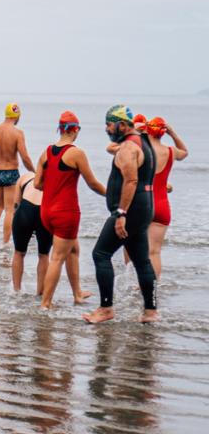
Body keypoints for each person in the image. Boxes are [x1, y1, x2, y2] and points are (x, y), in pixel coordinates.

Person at [83, 106, 158, 324]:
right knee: (142, 260)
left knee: (101, 254)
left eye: (109, 124)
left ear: (122, 125)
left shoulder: (128, 148)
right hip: (145, 206)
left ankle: (106, 308)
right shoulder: (143, 142)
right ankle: (150, 312)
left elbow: (131, 180)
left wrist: (120, 213)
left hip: (131, 209)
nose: (107, 128)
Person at [35, 112, 105, 308]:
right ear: (74, 129)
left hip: (46, 212)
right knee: (57, 257)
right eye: (78, 130)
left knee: (73, 249)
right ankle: (45, 303)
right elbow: (92, 183)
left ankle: (77, 294)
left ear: (60, 128)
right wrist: (112, 196)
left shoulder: (46, 152)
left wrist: (54, 184)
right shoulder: (76, 153)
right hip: (66, 213)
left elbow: (37, 183)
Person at [0, 103, 35, 243]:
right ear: (17, 116)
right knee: (10, 210)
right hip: (10, 172)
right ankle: (5, 243)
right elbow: (25, 157)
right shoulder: (17, 133)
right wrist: (35, 172)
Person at [144, 117, 189, 279]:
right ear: (164, 132)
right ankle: (153, 288)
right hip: (162, 205)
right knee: (154, 251)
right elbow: (185, 153)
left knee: (136, 248)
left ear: (148, 130)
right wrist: (173, 133)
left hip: (144, 204)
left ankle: (137, 285)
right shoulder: (171, 151)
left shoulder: (141, 150)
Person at [10, 172, 53, 294]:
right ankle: (40, 293)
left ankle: (16, 291)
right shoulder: (56, 179)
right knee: (43, 255)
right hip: (45, 212)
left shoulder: (25, 177)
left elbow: (16, 205)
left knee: (19, 252)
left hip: (25, 211)